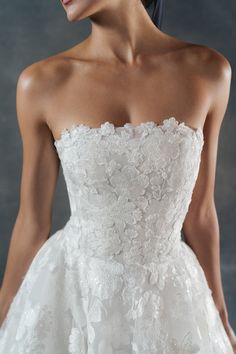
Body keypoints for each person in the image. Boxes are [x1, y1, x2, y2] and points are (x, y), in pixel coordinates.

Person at [0, 0, 235, 352]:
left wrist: (219, 313)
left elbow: (200, 214)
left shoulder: (209, 72)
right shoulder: (41, 84)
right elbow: (32, 223)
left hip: (171, 300)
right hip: (74, 298)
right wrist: (3, 315)